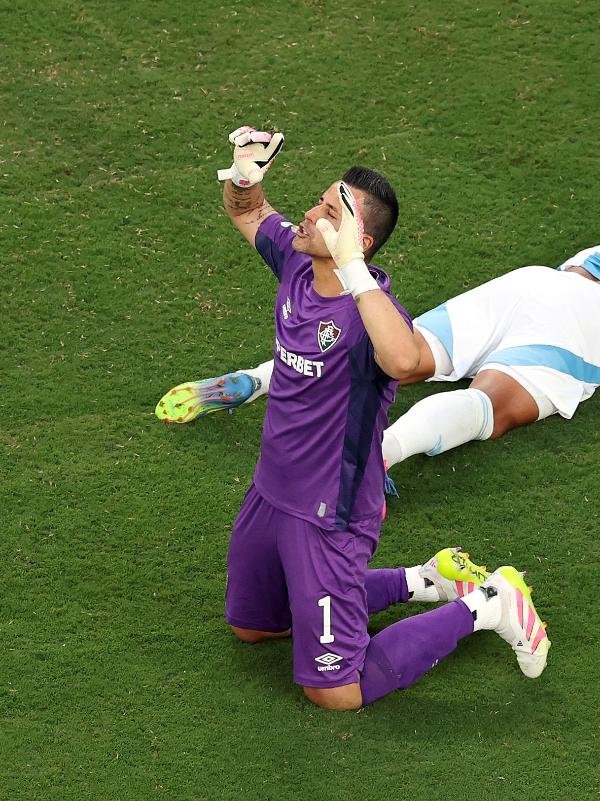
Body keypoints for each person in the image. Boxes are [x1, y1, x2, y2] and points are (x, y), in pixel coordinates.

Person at [210, 125, 550, 711]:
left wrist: (353, 271)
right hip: (271, 495)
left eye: (329, 211)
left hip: (329, 515)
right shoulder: (296, 262)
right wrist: (245, 174)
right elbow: (249, 211)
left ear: (358, 241)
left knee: (335, 692)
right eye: (320, 201)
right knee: (255, 627)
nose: (311, 214)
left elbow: (406, 360)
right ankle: (425, 579)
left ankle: (489, 605)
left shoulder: (375, 315)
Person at [158, 207, 600, 475]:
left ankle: (257, 377)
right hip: (591, 324)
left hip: (536, 284)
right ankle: (376, 456)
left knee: (401, 353)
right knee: (492, 404)